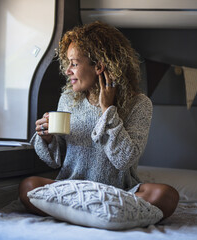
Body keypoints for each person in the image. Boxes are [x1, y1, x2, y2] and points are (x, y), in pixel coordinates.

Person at [19, 21, 179, 219]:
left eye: (74, 64)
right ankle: (104, 216)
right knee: (28, 186)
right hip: (73, 188)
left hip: (119, 192)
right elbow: (56, 161)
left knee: (166, 196)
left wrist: (107, 110)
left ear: (99, 66)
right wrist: (48, 139)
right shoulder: (68, 100)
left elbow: (124, 160)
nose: (68, 70)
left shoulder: (139, 103)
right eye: (68, 63)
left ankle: (81, 214)